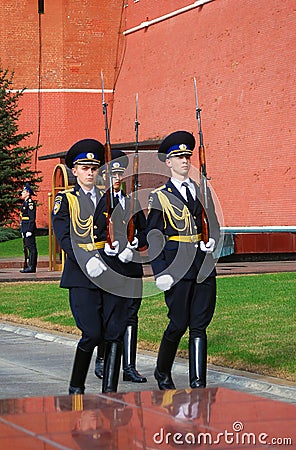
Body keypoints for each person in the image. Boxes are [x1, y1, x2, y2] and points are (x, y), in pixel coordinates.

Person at [52, 139, 133, 394]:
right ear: (74, 171)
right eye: (84, 167)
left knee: (114, 332)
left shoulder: (109, 199)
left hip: (111, 273)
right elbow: (65, 238)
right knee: (91, 333)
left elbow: (120, 227)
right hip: (82, 275)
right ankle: (76, 386)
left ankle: (110, 391)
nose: (89, 172)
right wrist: (88, 260)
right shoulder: (65, 200)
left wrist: (123, 246)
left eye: (93, 167)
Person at [146, 130, 220, 390]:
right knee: (178, 323)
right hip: (175, 266)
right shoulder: (159, 196)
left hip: (202, 265)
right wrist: (159, 271)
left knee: (199, 325)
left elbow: (212, 223)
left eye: (187, 156)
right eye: (179, 157)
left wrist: (212, 240)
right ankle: (162, 371)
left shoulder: (201, 191)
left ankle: (198, 383)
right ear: (168, 162)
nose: (185, 161)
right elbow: (154, 237)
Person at [94, 149, 147, 384]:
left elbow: (146, 232)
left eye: (119, 174)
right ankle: (103, 359)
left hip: (131, 267)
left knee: (131, 315)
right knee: (110, 315)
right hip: (109, 267)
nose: (116, 178)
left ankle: (129, 366)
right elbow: (91, 234)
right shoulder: (99, 203)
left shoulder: (132, 202)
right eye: (112, 174)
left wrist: (137, 241)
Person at [19, 182, 38, 273]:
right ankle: (29, 266)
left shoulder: (30, 203)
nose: (22, 193)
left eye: (23, 191)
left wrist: (29, 230)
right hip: (25, 228)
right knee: (27, 247)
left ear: (28, 193)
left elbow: (31, 218)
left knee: (31, 248)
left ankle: (32, 266)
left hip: (28, 229)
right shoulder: (25, 203)